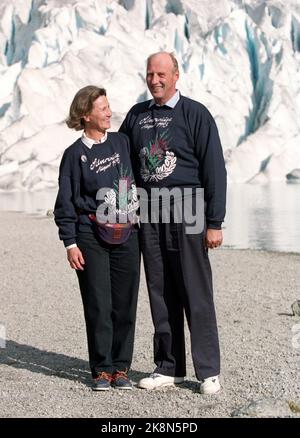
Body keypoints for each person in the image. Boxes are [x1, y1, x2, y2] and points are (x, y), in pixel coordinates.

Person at [119, 52, 226, 394]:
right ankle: (169, 366)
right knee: (160, 290)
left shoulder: (195, 114)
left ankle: (208, 371)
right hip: (150, 212)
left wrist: (215, 221)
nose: (155, 80)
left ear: (176, 75)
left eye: (161, 73)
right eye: (150, 74)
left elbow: (214, 169)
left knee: (195, 289)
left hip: (188, 209)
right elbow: (123, 163)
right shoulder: (137, 116)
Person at [54, 86, 140, 391]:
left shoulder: (122, 142)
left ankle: (121, 368)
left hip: (127, 232)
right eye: (102, 108)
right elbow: (65, 203)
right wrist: (70, 243)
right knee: (98, 303)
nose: (108, 112)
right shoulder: (73, 156)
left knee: (125, 303)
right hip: (90, 234)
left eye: (108, 106)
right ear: (85, 115)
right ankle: (102, 369)